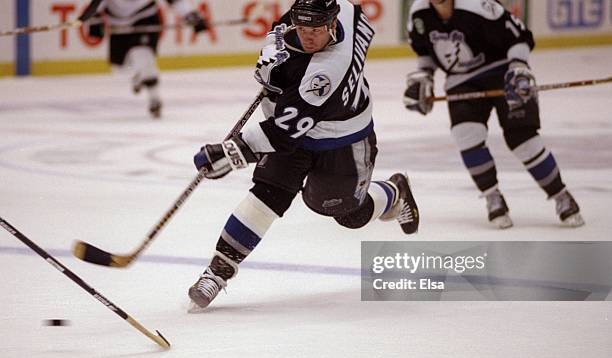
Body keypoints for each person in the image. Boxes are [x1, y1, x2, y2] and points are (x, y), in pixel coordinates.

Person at [187, 0, 420, 311]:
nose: (308, 36)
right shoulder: (344, 12)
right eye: (303, 28)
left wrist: (231, 153)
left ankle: (395, 191)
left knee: (349, 214)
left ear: (332, 24)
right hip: (299, 129)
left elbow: (282, 133)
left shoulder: (327, 72)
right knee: (267, 195)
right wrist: (275, 43)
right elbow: (306, 24)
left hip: (343, 141)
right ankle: (217, 273)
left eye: (316, 30)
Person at [403, 0, 584, 228]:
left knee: (523, 140)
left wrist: (519, 66)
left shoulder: (478, 5)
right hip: (462, 82)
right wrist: (425, 76)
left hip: (503, 71)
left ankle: (561, 195)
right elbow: (424, 51)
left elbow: (519, 36)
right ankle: (492, 197)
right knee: (466, 135)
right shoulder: (419, 14)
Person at [78, 0, 209, 118]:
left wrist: (190, 15)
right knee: (119, 69)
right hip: (119, 24)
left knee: (142, 55)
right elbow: (96, 6)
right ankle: (139, 75)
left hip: (145, 18)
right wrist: (94, 20)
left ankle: (154, 98)